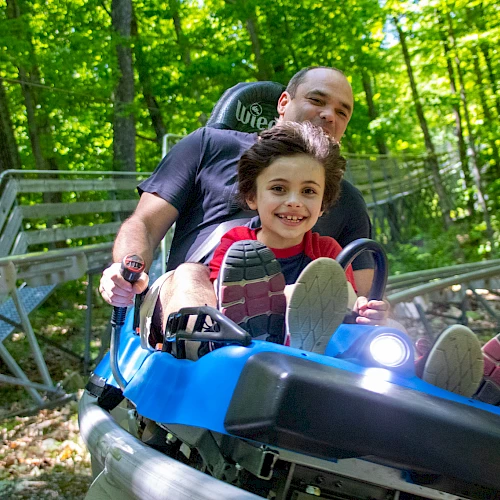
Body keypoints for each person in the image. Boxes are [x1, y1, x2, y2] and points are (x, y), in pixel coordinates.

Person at [100, 66, 375, 350]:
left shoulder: (348, 200)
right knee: (188, 275)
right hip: (191, 298)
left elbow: (362, 297)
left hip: (301, 323)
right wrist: (126, 268)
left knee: (330, 298)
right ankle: (209, 346)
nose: (330, 115)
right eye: (317, 101)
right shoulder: (209, 145)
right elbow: (144, 224)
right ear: (283, 103)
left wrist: (375, 315)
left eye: (342, 112)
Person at [208, 121, 388, 352]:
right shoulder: (237, 243)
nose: (294, 201)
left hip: (312, 357)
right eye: (279, 189)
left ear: (323, 205)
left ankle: (420, 366)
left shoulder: (328, 252)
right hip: (243, 352)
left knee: (388, 327)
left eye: (308, 191)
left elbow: (344, 307)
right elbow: (223, 300)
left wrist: (365, 311)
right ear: (252, 196)